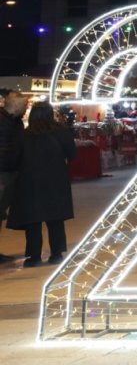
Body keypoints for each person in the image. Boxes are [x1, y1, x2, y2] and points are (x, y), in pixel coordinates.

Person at [7, 102, 76, 266]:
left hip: (29, 182)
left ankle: (34, 256)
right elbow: (72, 154)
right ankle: (56, 253)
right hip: (56, 180)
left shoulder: (24, 134)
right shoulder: (62, 132)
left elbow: (12, 160)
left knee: (32, 220)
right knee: (55, 219)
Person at [0, 87, 30, 262]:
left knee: (1, 212)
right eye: (25, 106)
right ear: (17, 107)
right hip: (2, 171)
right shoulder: (6, 121)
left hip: (9, 171)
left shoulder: (15, 122)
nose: (26, 109)